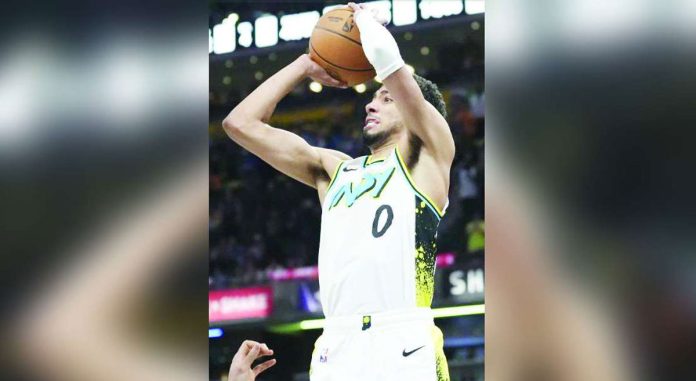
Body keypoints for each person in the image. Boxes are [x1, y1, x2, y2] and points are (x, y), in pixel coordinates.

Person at [222, 3, 454, 380]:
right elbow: (240, 124)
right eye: (374, 96)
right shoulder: (334, 170)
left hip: (402, 334)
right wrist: (304, 65)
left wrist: (363, 21)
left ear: (417, 112)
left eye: (386, 98)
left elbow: (389, 64)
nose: (370, 103)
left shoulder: (427, 154)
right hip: (338, 340)